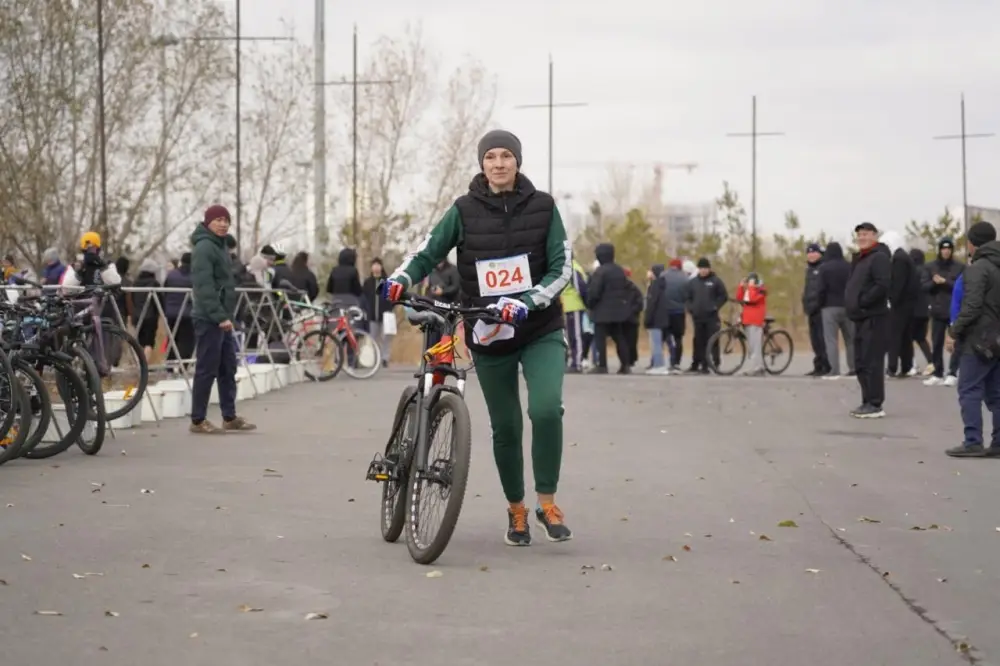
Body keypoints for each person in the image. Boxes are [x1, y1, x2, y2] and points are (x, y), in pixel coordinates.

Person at [383, 129, 573, 546]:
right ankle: (517, 511)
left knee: (544, 411)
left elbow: (562, 269)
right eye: (491, 157)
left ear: (518, 162)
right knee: (505, 426)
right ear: (482, 163)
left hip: (539, 328)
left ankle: (547, 503)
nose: (499, 163)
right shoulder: (464, 210)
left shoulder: (544, 207)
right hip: (488, 330)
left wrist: (528, 301)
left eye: (507, 156)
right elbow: (428, 251)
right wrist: (400, 278)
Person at [189, 205, 256, 434]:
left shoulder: (221, 246)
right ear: (208, 222)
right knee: (206, 369)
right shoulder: (204, 247)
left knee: (228, 367)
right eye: (218, 219)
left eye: (226, 220)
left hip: (223, 318)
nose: (223, 223)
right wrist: (219, 316)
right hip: (209, 318)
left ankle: (229, 416)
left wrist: (226, 316)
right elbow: (204, 286)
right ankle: (198, 420)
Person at [945, 221, 1000, 457]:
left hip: (979, 339)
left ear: (972, 243)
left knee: (969, 389)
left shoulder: (978, 268)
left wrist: (954, 331)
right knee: (996, 393)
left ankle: (972, 441)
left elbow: (972, 305)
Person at [844, 222, 892, 418]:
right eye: (859, 234)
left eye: (866, 234)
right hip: (859, 318)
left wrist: (863, 302)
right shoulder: (861, 259)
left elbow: (882, 285)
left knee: (872, 361)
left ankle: (875, 403)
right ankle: (866, 400)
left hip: (874, 317)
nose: (862, 237)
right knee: (861, 361)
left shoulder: (879, 258)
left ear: (874, 235)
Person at [587, 243, 634, 374]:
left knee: (600, 339)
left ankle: (602, 365)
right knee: (619, 337)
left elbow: (594, 292)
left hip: (602, 311)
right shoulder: (619, 270)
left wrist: (590, 304)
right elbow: (627, 288)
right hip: (618, 311)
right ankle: (625, 364)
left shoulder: (600, 272)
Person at [922, 237, 963, 386]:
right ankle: (938, 372)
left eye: (948, 248)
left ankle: (952, 372)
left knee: (956, 342)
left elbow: (962, 287)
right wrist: (934, 282)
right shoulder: (930, 267)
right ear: (939, 250)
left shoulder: (959, 267)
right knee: (937, 342)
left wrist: (945, 282)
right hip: (937, 310)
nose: (946, 251)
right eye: (943, 248)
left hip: (954, 310)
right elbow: (923, 286)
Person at [882, 230, 918, 377]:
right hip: (908, 304)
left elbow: (898, 283)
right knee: (905, 337)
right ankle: (906, 366)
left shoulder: (899, 259)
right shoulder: (905, 257)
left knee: (894, 336)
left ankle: (892, 367)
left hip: (900, 305)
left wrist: (891, 300)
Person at [817, 241, 854, 378]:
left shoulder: (824, 268)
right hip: (847, 306)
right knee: (850, 339)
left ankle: (834, 370)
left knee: (831, 339)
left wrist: (820, 304)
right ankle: (853, 368)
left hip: (829, 306)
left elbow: (821, 289)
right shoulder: (849, 266)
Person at [685, 257, 727, 374]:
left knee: (712, 341)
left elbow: (723, 296)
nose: (703, 271)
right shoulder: (693, 282)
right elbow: (687, 297)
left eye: (705, 268)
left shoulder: (716, 281)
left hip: (711, 317)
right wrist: (690, 308)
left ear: (709, 269)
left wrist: (715, 306)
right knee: (698, 341)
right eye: (701, 268)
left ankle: (715, 363)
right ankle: (699, 364)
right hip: (698, 317)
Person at [802, 243, 830, 376]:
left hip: (820, 309)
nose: (811, 255)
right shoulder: (808, 270)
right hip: (810, 310)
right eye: (809, 253)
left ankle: (826, 365)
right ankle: (818, 365)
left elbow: (821, 291)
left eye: (814, 252)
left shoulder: (823, 268)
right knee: (815, 340)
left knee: (822, 339)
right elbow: (807, 290)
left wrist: (817, 304)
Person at [163, 252, 195, 366]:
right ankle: (184, 365)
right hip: (188, 313)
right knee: (187, 340)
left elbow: (164, 291)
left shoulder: (172, 275)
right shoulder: (194, 276)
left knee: (172, 338)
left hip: (171, 313)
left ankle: (170, 365)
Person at [361, 258, 394, 367]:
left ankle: (385, 358)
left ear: (381, 267)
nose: (376, 267)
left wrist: (390, 308)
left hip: (385, 314)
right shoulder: (367, 282)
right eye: (374, 265)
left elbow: (392, 297)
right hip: (371, 316)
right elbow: (364, 298)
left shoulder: (386, 281)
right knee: (373, 338)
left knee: (386, 338)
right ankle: (375, 358)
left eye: (378, 265)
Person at [560, 257, 589, 373]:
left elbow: (580, 287)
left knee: (576, 336)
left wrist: (586, 304)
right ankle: (572, 361)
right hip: (567, 306)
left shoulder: (572, 268)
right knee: (570, 336)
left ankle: (577, 363)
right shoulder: (567, 267)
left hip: (575, 306)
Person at [660, 259, 689, 372]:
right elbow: (687, 295)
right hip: (679, 311)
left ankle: (658, 362)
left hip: (665, 311)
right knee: (678, 338)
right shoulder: (685, 278)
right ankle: (676, 363)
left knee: (662, 337)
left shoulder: (663, 276)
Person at [131, 258, 162, 362]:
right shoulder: (154, 283)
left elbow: (132, 298)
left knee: (140, 341)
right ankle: (145, 364)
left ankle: (139, 363)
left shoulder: (135, 283)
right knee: (149, 342)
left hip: (137, 315)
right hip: (150, 316)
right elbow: (159, 300)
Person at [737, 272, 767, 376]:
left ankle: (757, 367)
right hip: (747, 320)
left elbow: (752, 299)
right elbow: (740, 298)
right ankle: (757, 366)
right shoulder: (749, 290)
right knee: (751, 345)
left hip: (756, 320)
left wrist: (751, 287)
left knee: (756, 345)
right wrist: (741, 287)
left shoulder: (761, 291)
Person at [909, 248, 934, 373]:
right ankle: (931, 362)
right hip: (925, 310)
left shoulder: (911, 272)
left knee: (909, 338)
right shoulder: (926, 270)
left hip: (913, 310)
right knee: (921, 338)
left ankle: (912, 365)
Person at [643, 264, 671, 374]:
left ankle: (659, 365)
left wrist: (647, 318)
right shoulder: (662, 284)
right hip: (662, 317)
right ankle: (657, 364)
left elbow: (651, 303)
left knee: (656, 343)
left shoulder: (655, 286)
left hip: (655, 318)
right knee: (657, 342)